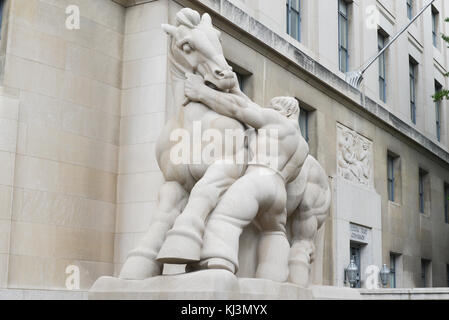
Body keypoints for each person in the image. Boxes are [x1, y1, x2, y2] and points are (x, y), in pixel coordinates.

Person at [158, 73, 309, 281]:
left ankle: (217, 259)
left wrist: (202, 92)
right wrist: (237, 90)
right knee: (274, 231)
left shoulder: (275, 121)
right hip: (278, 189)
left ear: (282, 111)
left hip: (257, 179)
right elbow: (250, 108)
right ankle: (272, 279)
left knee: (225, 216)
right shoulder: (302, 145)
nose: (268, 111)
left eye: (273, 109)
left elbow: (239, 110)